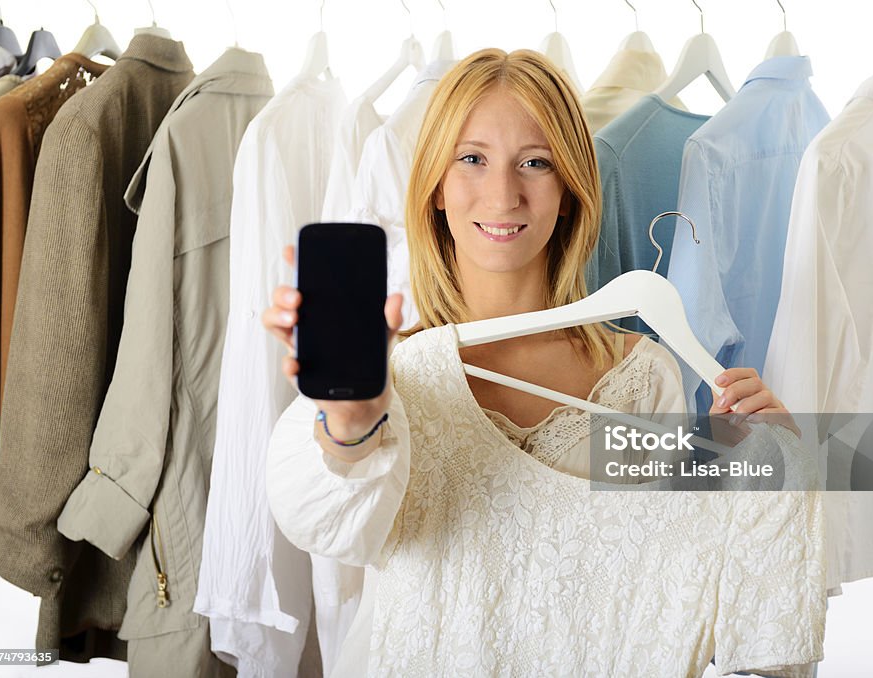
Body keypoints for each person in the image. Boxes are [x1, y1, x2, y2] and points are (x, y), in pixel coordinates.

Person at [263, 49, 822, 677]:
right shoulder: (393, 376)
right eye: (471, 159)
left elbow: (674, 584)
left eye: (535, 162)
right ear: (436, 188)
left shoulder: (641, 378)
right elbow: (328, 526)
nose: (503, 194)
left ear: (569, 192)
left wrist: (767, 467)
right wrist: (352, 423)